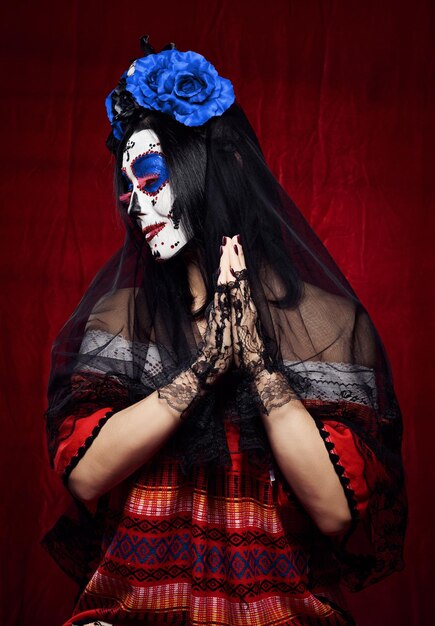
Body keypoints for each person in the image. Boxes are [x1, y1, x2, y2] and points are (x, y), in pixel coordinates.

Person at [41, 36, 407, 626]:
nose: (136, 206)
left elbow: (337, 513)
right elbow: (85, 477)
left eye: (152, 178)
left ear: (223, 168)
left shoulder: (329, 326)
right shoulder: (121, 319)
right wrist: (203, 369)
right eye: (126, 189)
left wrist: (259, 366)